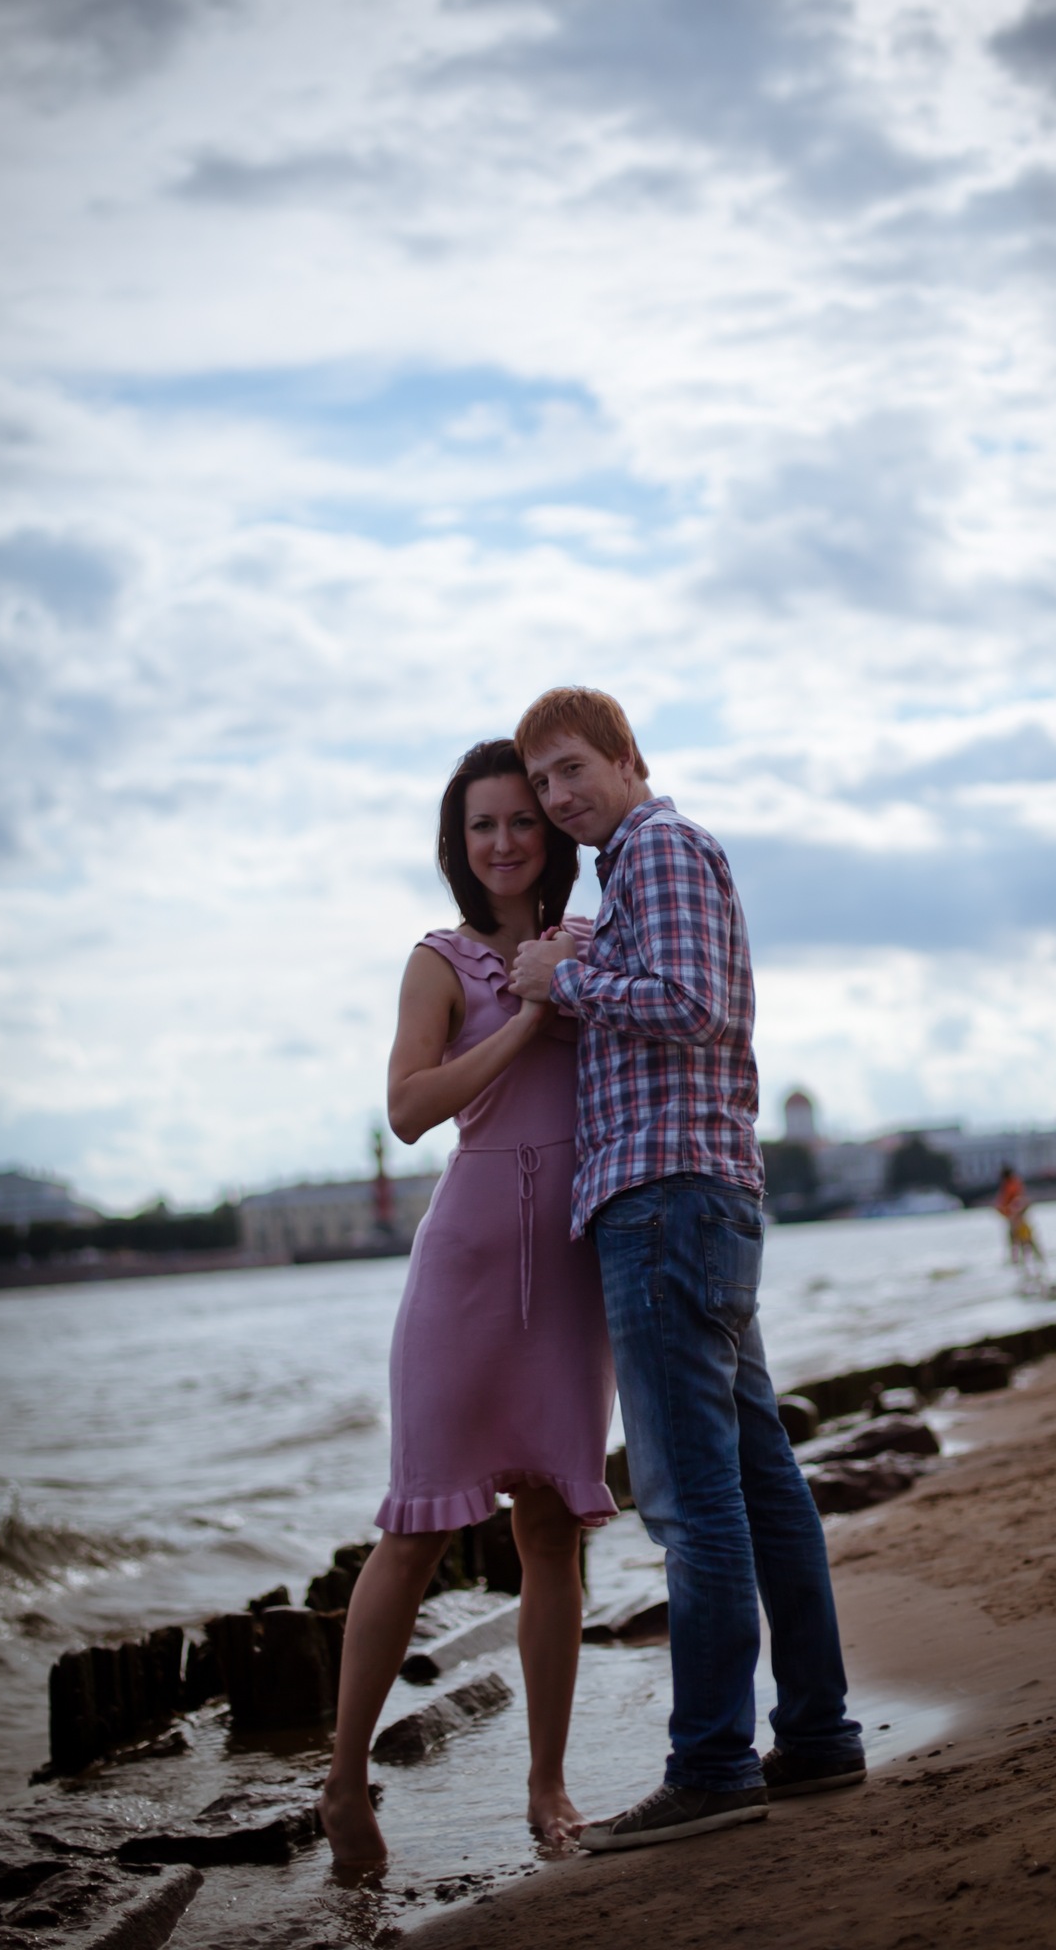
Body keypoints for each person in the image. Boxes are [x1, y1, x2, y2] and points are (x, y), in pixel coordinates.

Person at [508, 687, 863, 1855]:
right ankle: (817, 1733)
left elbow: (693, 1004)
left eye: (572, 768)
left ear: (627, 756)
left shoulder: (657, 845)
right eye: (542, 782)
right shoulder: (637, 869)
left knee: (691, 1500)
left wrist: (563, 982)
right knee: (761, 1481)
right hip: (697, 1201)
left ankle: (712, 1761)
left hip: (665, 1202)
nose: (558, 797)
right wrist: (579, 963)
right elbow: (663, 1003)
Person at [319, 741, 616, 1870]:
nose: (502, 842)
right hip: (467, 1272)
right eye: (480, 825)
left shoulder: (589, 943)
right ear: (458, 843)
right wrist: (530, 1015)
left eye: (520, 820)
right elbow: (407, 1110)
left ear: (550, 830)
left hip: (573, 1271)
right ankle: (341, 1783)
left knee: (552, 1531)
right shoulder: (437, 961)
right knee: (416, 1529)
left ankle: (547, 1785)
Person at [994, 1164, 1047, 1289]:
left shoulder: (1011, 1186)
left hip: (1017, 1221)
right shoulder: (1013, 1184)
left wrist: (1011, 1214)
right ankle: (1035, 1269)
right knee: (1026, 1244)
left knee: (1020, 1245)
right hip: (1018, 1220)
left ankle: (1027, 1273)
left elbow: (1017, 1204)